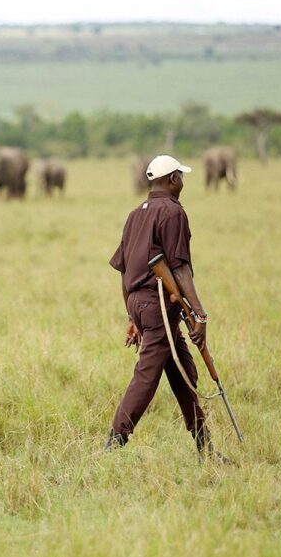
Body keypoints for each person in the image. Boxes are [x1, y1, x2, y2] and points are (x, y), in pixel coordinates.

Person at [107, 155, 229, 462]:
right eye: (181, 176)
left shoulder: (136, 213)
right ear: (173, 179)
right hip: (158, 304)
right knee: (146, 377)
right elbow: (180, 268)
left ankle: (206, 448)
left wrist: (132, 316)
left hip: (140, 303)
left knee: (184, 374)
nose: (183, 182)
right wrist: (199, 314)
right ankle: (113, 445)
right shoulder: (173, 212)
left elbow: (124, 271)